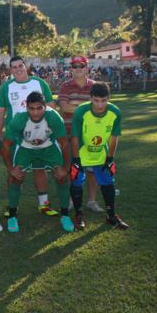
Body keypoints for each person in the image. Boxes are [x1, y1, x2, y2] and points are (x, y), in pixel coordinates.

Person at [0, 92, 74, 233]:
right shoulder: (19, 119)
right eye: (31, 108)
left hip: (48, 148)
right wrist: (10, 169)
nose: (35, 112)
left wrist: (65, 168)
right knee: (16, 177)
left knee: (62, 177)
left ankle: (65, 215)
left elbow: (64, 144)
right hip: (26, 148)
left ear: (45, 106)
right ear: (26, 107)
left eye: (39, 108)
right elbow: (5, 145)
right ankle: (12, 216)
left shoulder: (53, 117)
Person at [0, 55, 58, 216]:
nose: (18, 69)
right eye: (14, 67)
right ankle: (12, 206)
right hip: (16, 136)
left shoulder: (39, 83)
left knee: (39, 169)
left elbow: (51, 107)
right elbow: (0, 111)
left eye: (20, 66)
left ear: (26, 67)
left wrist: (52, 130)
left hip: (40, 134)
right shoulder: (6, 87)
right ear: (10, 70)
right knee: (15, 171)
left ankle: (44, 204)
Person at [70, 82, 129, 230]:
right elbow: (75, 137)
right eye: (96, 100)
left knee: (108, 183)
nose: (100, 105)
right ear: (90, 98)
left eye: (103, 100)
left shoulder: (115, 112)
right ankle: (79, 215)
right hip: (82, 153)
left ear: (109, 98)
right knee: (77, 183)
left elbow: (114, 137)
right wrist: (76, 160)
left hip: (101, 154)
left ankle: (111, 216)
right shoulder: (81, 111)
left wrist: (110, 159)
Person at [57, 56, 104, 213]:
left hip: (92, 134)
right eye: (75, 66)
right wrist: (87, 106)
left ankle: (92, 201)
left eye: (81, 65)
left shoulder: (95, 86)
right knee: (72, 168)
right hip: (70, 133)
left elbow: (99, 108)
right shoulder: (65, 86)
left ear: (87, 68)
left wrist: (75, 104)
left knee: (92, 169)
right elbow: (64, 107)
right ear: (71, 68)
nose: (78, 68)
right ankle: (72, 199)